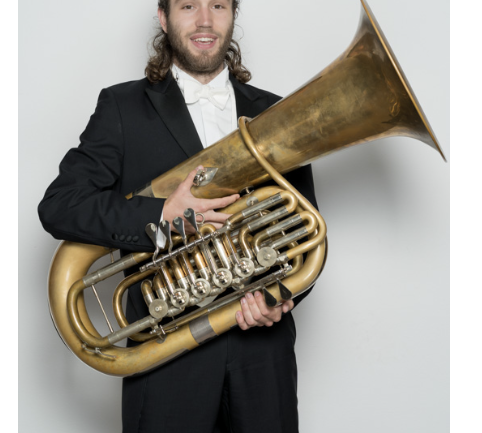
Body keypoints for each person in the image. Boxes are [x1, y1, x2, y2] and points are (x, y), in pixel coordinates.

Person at [38, 1, 318, 431]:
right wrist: (162, 214)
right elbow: (60, 205)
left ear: (233, 14)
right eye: (188, 5)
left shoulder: (277, 113)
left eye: (218, 5)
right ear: (163, 17)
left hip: (263, 357)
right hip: (165, 355)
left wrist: (277, 298)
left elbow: (303, 231)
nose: (205, 20)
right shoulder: (122, 106)